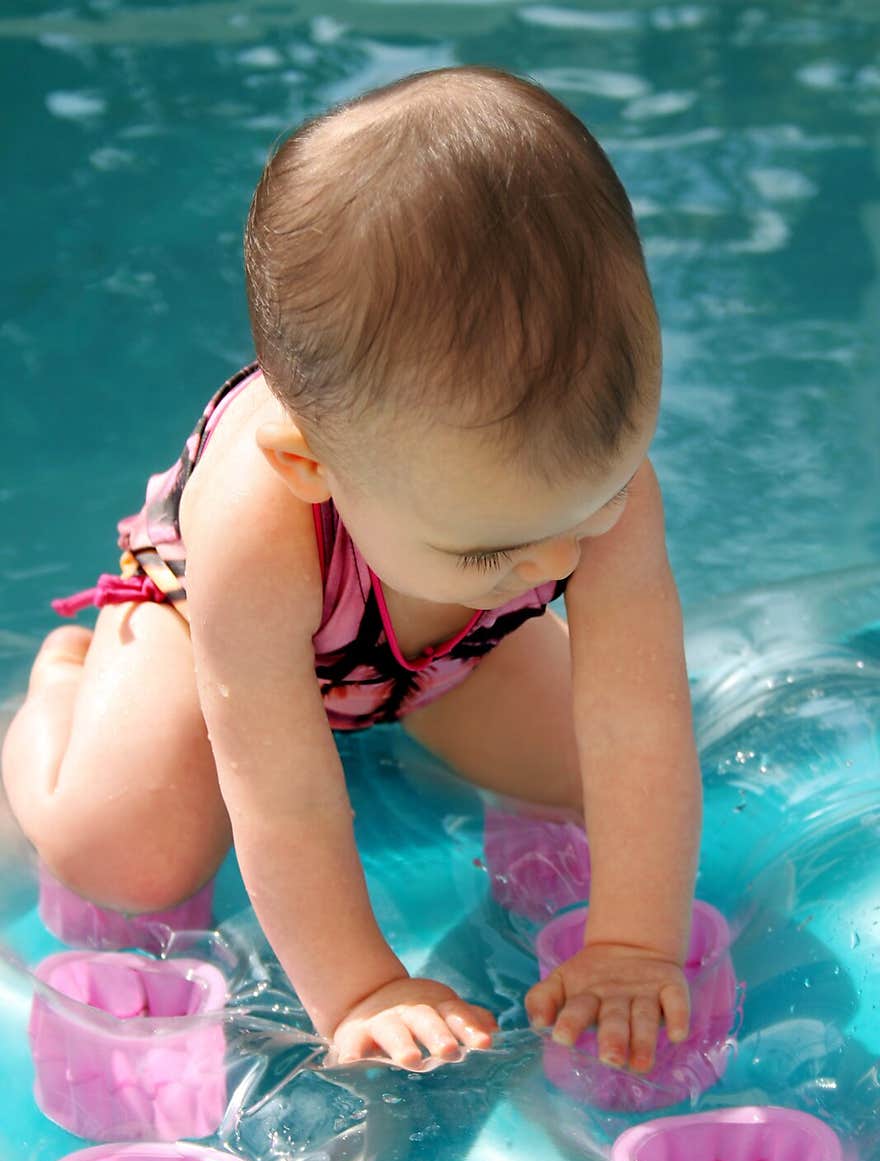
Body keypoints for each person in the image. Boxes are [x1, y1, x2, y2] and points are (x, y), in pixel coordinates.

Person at [1, 64, 701, 1075]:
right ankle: (64, 686)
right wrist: (362, 986)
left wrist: (633, 945)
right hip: (207, 632)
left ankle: (411, 678)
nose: (558, 562)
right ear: (308, 464)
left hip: (449, 642)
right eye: (496, 543)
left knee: (587, 770)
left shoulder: (591, 489)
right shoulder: (257, 515)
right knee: (127, 853)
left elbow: (640, 723)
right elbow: (280, 791)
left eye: (589, 507)